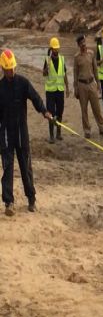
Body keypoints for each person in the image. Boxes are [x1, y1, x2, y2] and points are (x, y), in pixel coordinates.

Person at [0, 49, 52, 216]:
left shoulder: (23, 83)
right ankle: (9, 202)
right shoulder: (0, 88)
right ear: (2, 68)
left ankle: (31, 198)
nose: (11, 71)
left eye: (13, 68)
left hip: (22, 132)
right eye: (8, 69)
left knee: (25, 166)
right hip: (6, 133)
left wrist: (44, 111)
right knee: (7, 168)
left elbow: (35, 97)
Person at [73, 34, 103, 138]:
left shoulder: (91, 54)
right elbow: (75, 73)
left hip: (92, 83)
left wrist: (99, 84)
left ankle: (102, 127)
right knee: (84, 109)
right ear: (79, 45)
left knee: (96, 107)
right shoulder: (76, 57)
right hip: (81, 85)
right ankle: (87, 130)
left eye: (84, 42)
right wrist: (76, 88)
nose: (84, 45)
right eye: (81, 43)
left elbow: (95, 70)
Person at [43, 37, 70, 144]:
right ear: (51, 49)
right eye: (54, 49)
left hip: (60, 90)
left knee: (60, 112)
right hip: (50, 91)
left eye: (57, 48)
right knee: (51, 113)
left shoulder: (62, 59)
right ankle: (51, 136)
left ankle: (58, 133)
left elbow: (64, 74)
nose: (56, 50)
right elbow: (44, 74)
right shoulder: (47, 60)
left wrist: (67, 88)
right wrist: (46, 69)